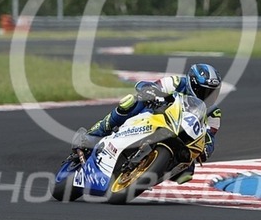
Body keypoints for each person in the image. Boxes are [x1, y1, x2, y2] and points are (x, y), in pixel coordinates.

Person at [83, 63, 222, 184]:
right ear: (193, 84)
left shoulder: (213, 112)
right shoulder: (177, 82)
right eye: (205, 91)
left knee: (187, 171)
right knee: (131, 103)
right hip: (156, 114)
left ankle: (148, 174)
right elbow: (152, 86)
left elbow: (210, 136)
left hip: (182, 135)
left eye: (213, 92)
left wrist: (206, 149)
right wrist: (150, 90)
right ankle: (95, 133)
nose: (209, 96)